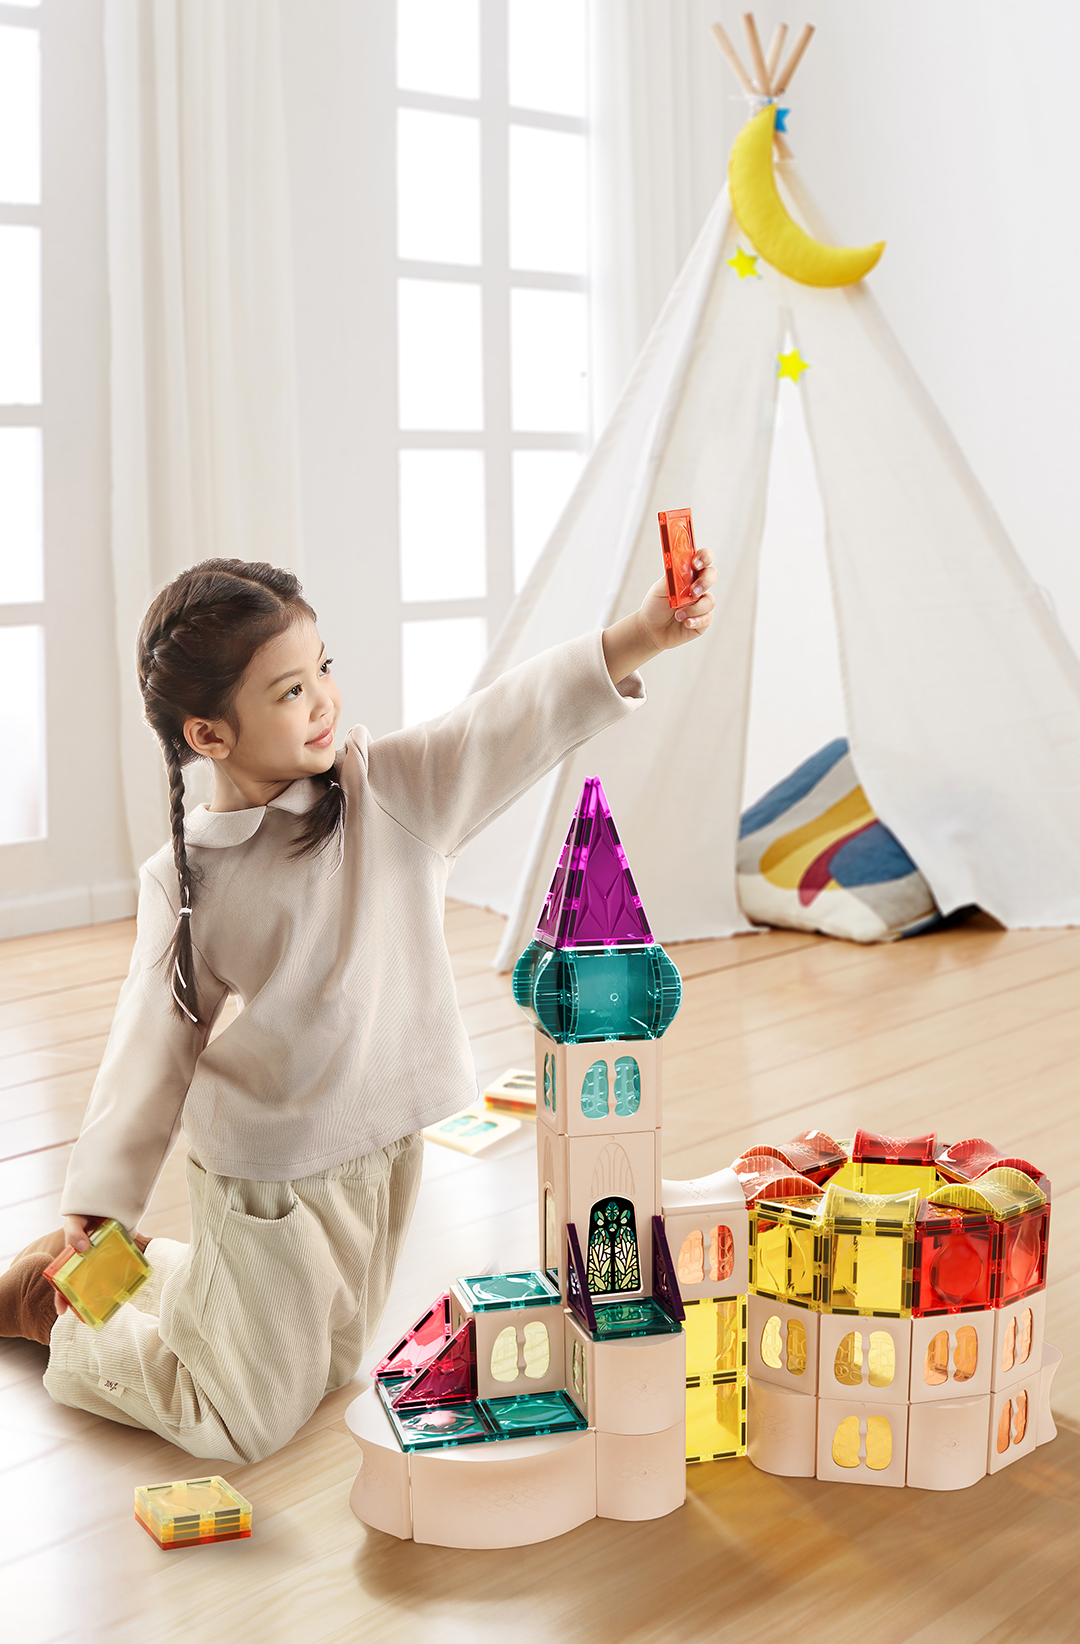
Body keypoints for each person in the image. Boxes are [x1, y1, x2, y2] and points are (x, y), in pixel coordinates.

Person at [0, 550, 717, 1462]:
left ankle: (153, 1282)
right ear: (209, 735)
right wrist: (100, 1199)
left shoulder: (393, 791)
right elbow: (153, 1042)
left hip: (383, 1152)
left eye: (323, 669)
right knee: (238, 1422)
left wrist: (642, 634)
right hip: (273, 1180)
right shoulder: (188, 879)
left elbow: (507, 719)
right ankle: (50, 1310)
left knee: (334, 1370)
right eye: (290, 690)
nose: (324, 701)